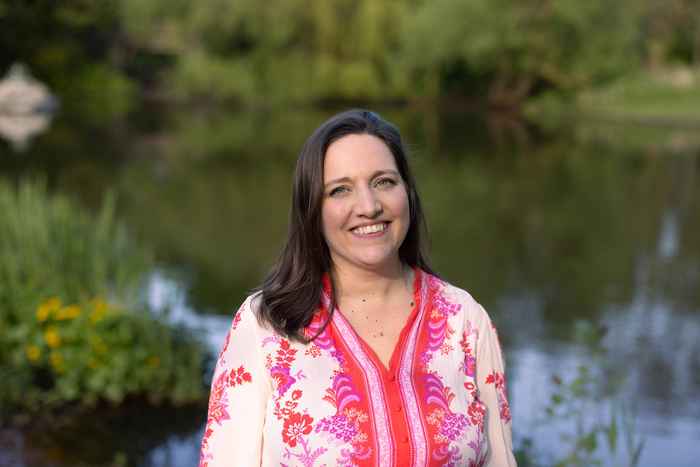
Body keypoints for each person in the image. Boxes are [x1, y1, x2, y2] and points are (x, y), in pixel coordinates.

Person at [199, 110, 516, 466]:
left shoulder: (465, 320)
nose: (369, 207)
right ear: (312, 210)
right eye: (340, 190)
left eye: (384, 182)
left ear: (408, 192)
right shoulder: (266, 325)